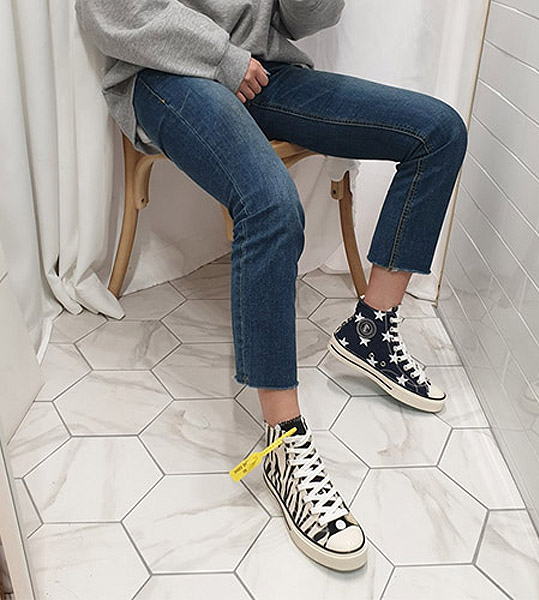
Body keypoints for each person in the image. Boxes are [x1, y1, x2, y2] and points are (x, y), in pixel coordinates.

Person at [75, 0, 468, 572]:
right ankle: (283, 440)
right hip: (166, 74)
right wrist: (221, 58)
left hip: (265, 71)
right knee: (272, 206)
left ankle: (371, 329)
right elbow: (110, 13)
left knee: (438, 131)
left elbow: (303, 19)